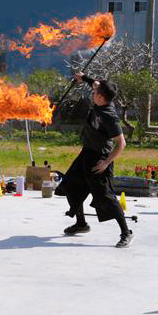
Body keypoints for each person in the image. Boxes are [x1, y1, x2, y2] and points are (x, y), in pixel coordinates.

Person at [56, 72, 134, 248]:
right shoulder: (100, 96)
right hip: (87, 152)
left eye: (95, 91)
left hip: (100, 158)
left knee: (105, 196)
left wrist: (106, 163)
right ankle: (81, 224)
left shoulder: (109, 115)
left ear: (100, 97)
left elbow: (122, 144)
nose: (93, 92)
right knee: (71, 185)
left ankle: (126, 233)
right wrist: (83, 77)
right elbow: (95, 83)